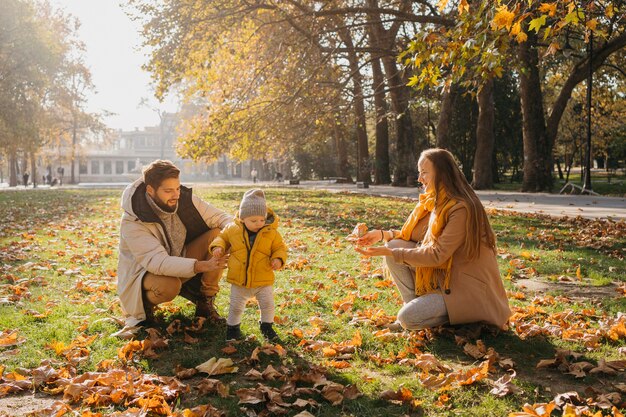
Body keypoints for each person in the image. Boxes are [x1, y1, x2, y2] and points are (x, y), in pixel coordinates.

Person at [355, 148, 511, 331]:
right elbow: (414, 236)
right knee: (395, 246)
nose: (420, 178)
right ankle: (419, 309)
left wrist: (391, 252)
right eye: (419, 173)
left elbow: (437, 255)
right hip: (444, 278)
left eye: (424, 172)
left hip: (465, 288)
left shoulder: (461, 208)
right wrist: (382, 235)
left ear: (442, 174)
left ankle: (443, 317)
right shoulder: (436, 200)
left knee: (407, 318)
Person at [117, 159, 233, 329]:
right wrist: (201, 266)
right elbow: (157, 262)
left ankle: (205, 304)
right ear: (150, 190)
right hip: (144, 275)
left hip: (180, 259)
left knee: (218, 236)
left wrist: (239, 233)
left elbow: (221, 218)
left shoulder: (183, 199)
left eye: (177, 188)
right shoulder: (133, 220)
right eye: (168, 190)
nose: (176, 195)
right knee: (169, 286)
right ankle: (145, 307)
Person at [210, 189, 288, 342]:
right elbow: (222, 238)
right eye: (254, 221)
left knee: (268, 305)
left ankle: (267, 326)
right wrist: (217, 247)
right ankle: (233, 329)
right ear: (243, 218)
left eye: (262, 219)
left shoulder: (271, 232)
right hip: (239, 280)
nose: (259, 224)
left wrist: (278, 259)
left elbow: (280, 248)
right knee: (236, 307)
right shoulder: (232, 229)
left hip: (262, 279)